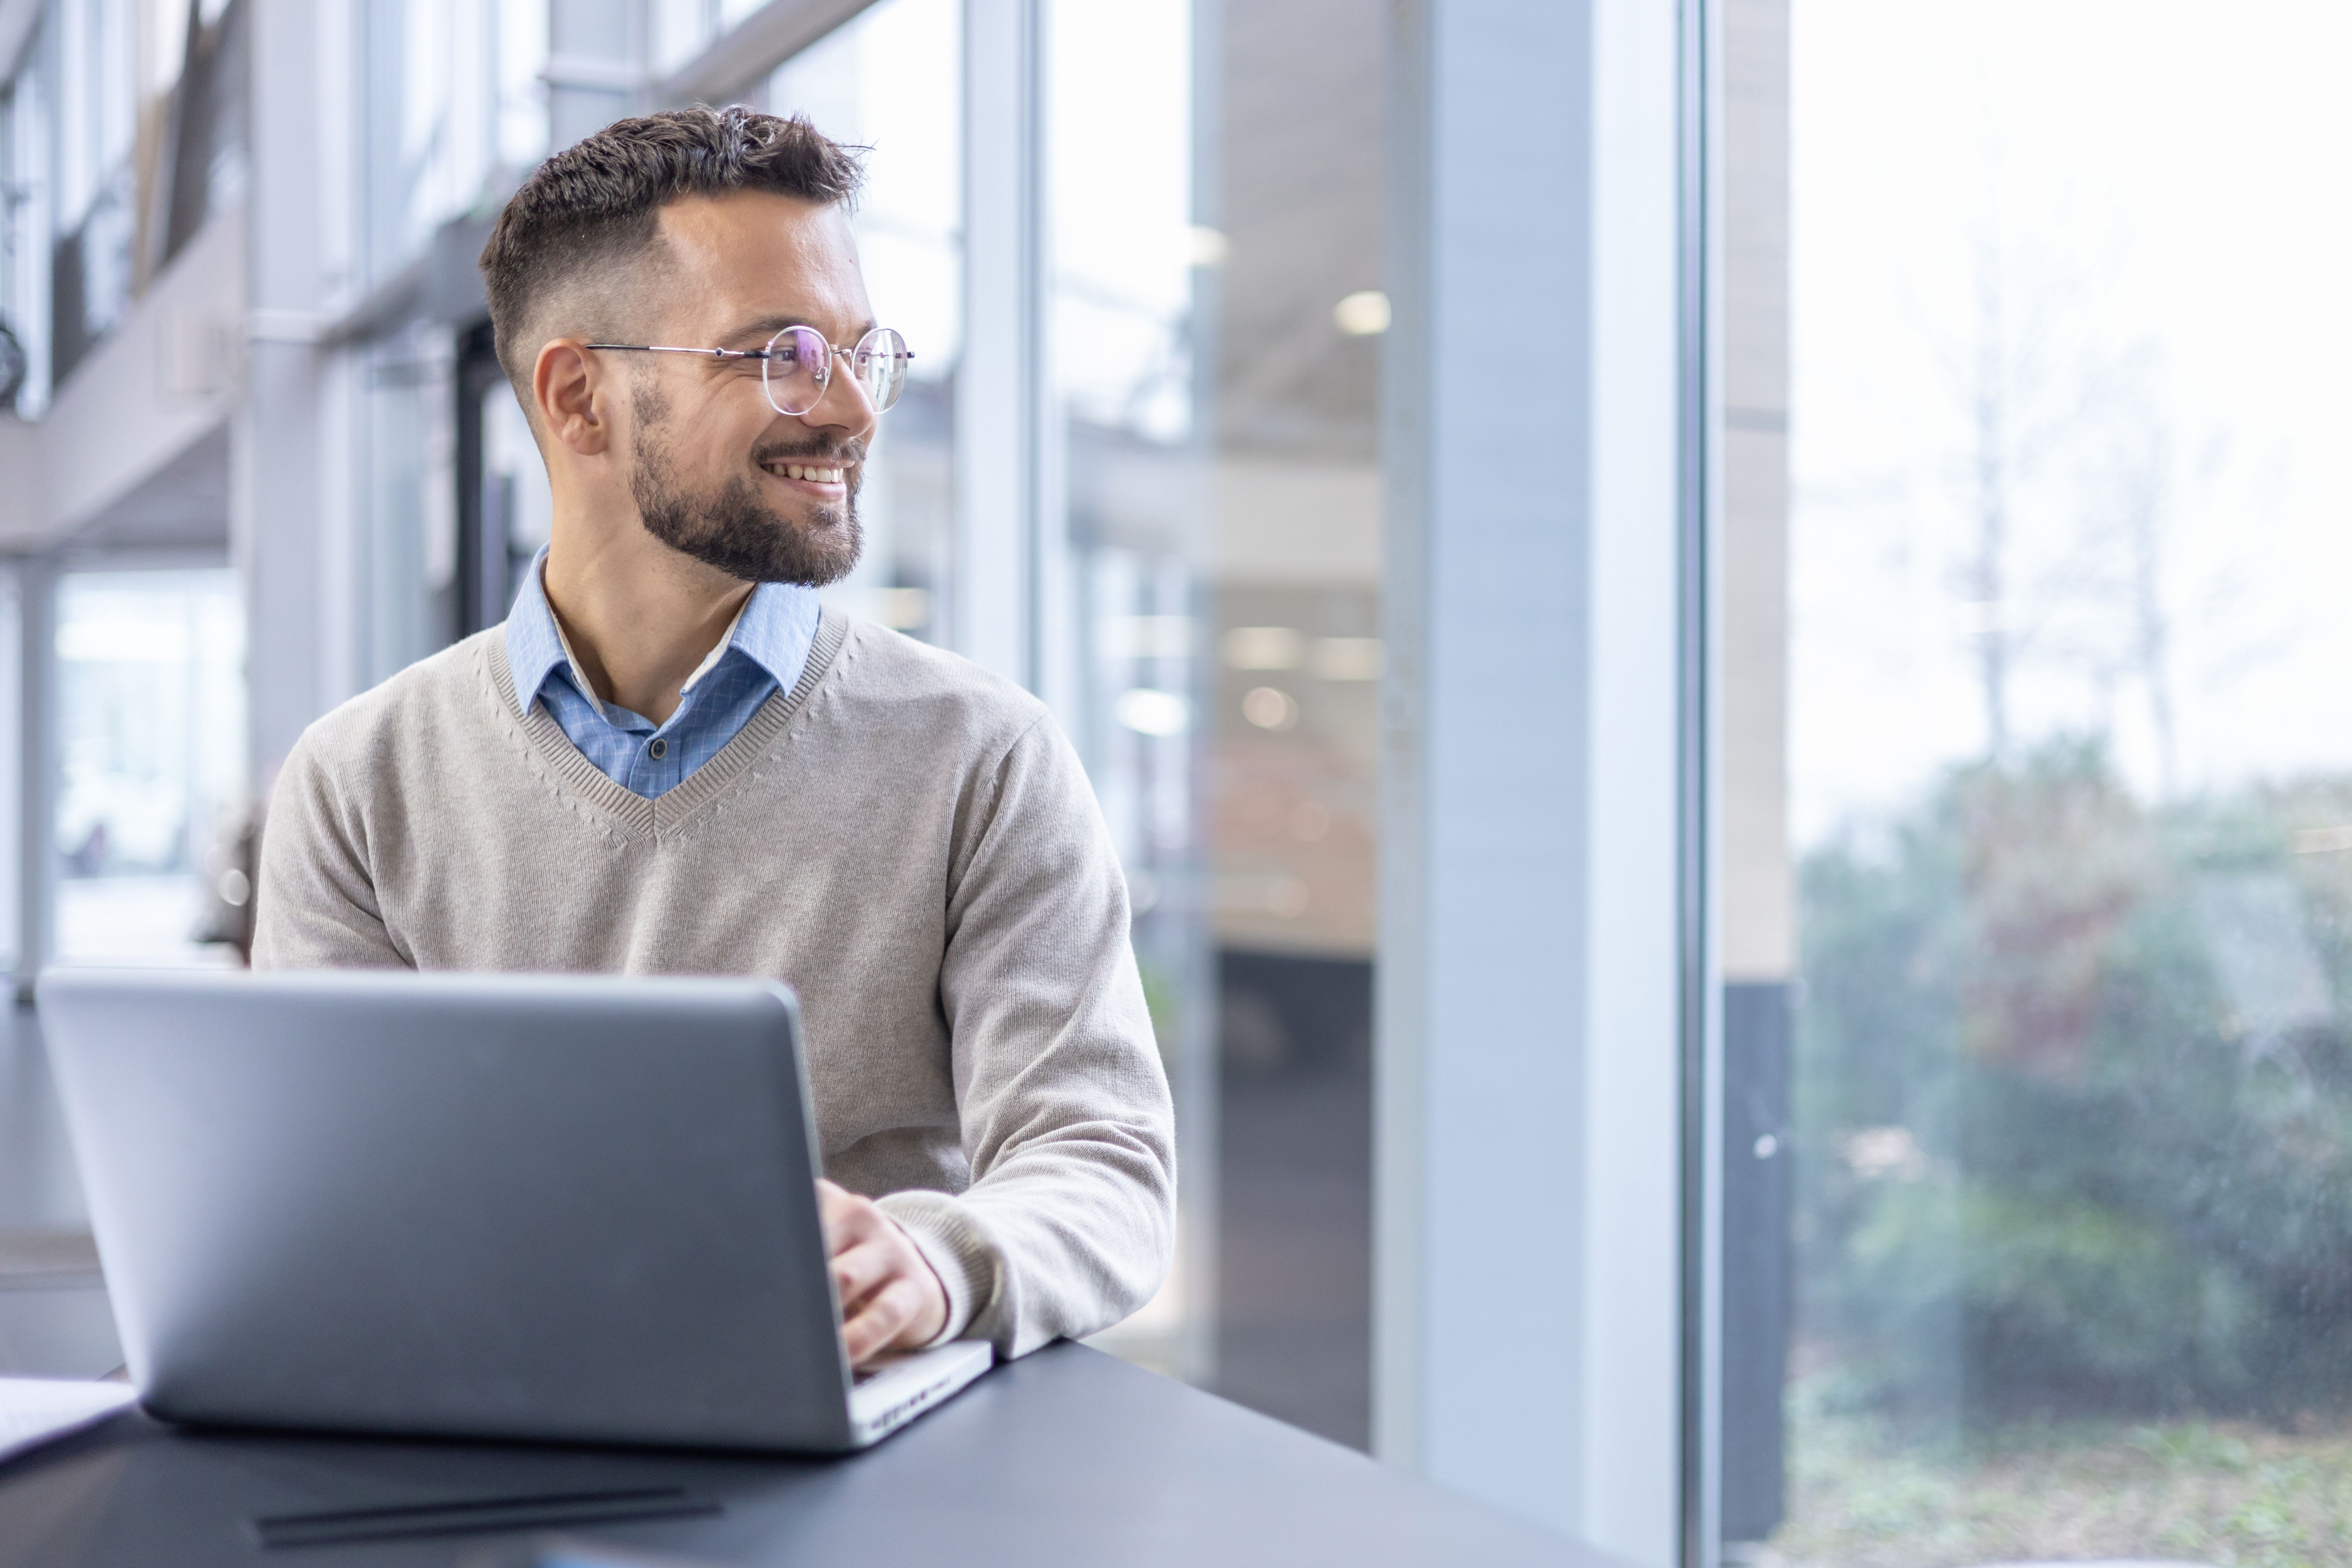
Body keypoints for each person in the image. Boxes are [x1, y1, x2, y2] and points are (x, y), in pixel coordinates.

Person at [253, 107, 1174, 1368]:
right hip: (488, 1432)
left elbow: (1101, 1157)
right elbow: (327, 1194)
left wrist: (938, 1262)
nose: (851, 409)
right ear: (581, 398)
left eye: (863, 351)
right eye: (784, 353)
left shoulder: (982, 756)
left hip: (879, 1459)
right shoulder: (361, 782)